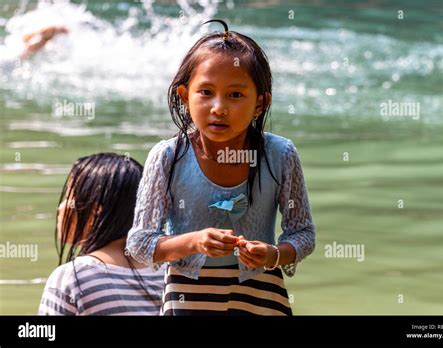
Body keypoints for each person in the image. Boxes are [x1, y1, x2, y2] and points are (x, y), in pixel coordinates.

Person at [126, 19, 315, 316]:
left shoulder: (280, 154)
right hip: (189, 302)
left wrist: (274, 255)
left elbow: (302, 233)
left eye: (235, 95)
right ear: (185, 97)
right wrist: (194, 242)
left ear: (260, 104)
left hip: (261, 298)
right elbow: (139, 243)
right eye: (206, 92)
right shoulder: (167, 157)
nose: (219, 108)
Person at [39, 153, 165, 315]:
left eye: (68, 197)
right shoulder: (167, 269)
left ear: (94, 212)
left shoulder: (73, 278)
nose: (60, 208)